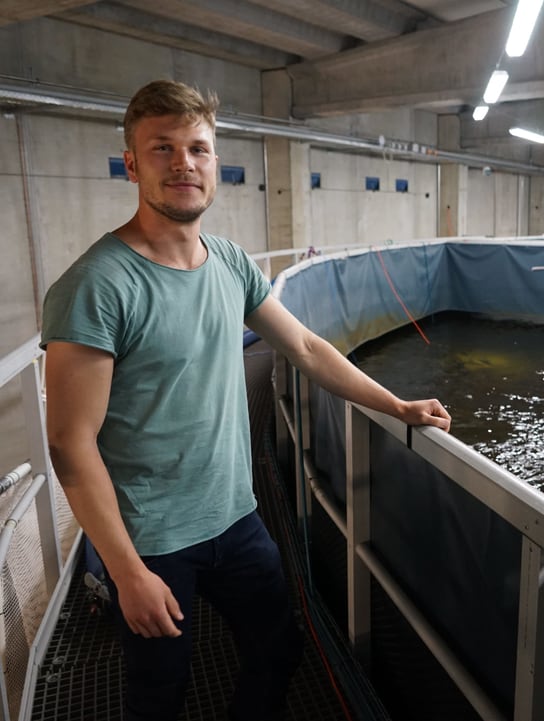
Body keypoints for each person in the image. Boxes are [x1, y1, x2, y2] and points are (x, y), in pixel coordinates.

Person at [41, 78, 451, 721]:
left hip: (235, 519)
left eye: (199, 149)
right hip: (150, 540)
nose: (184, 164)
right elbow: (70, 444)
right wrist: (126, 573)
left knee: (277, 650)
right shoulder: (97, 286)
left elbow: (308, 349)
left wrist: (396, 406)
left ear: (214, 163)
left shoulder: (229, 261)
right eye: (163, 148)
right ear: (132, 164)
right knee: (159, 694)